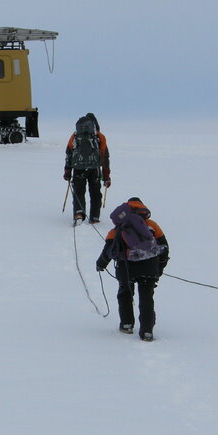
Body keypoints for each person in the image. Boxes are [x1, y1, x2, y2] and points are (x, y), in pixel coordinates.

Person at [96, 197, 169, 341]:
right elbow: (164, 248)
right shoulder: (152, 225)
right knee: (147, 297)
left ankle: (127, 324)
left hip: (126, 268)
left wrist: (101, 264)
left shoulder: (118, 228)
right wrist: (159, 268)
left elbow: (108, 250)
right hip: (149, 268)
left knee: (125, 294)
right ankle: (147, 331)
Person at [64, 113, 110, 224]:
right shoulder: (100, 136)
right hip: (94, 169)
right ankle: (94, 218)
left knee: (79, 192)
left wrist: (67, 172)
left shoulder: (75, 136)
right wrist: (106, 176)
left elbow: (69, 154)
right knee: (95, 193)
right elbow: (105, 156)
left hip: (78, 168)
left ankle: (79, 214)